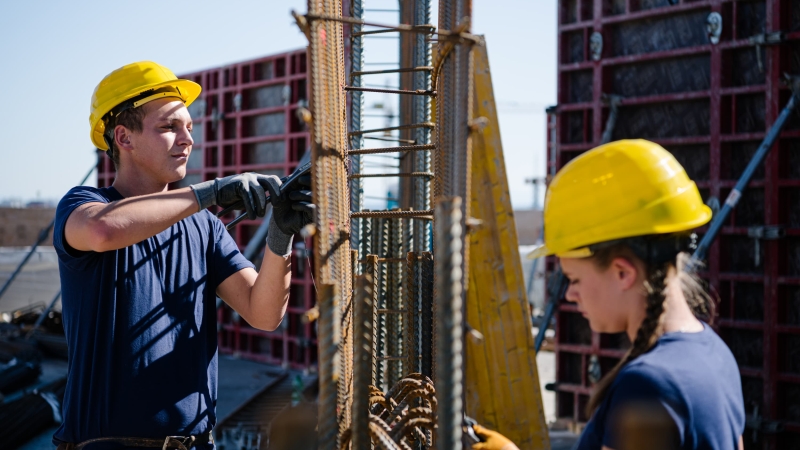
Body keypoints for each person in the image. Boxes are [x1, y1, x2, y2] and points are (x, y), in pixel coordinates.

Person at [52, 61, 314, 450]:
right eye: (169, 127)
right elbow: (103, 230)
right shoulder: (86, 205)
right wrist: (209, 192)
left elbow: (263, 313)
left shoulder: (202, 227)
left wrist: (280, 235)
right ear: (123, 137)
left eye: (189, 127)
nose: (187, 139)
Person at [472, 140, 745, 450]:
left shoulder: (648, 385)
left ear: (622, 273)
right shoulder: (715, 353)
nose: (570, 294)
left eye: (574, 278)